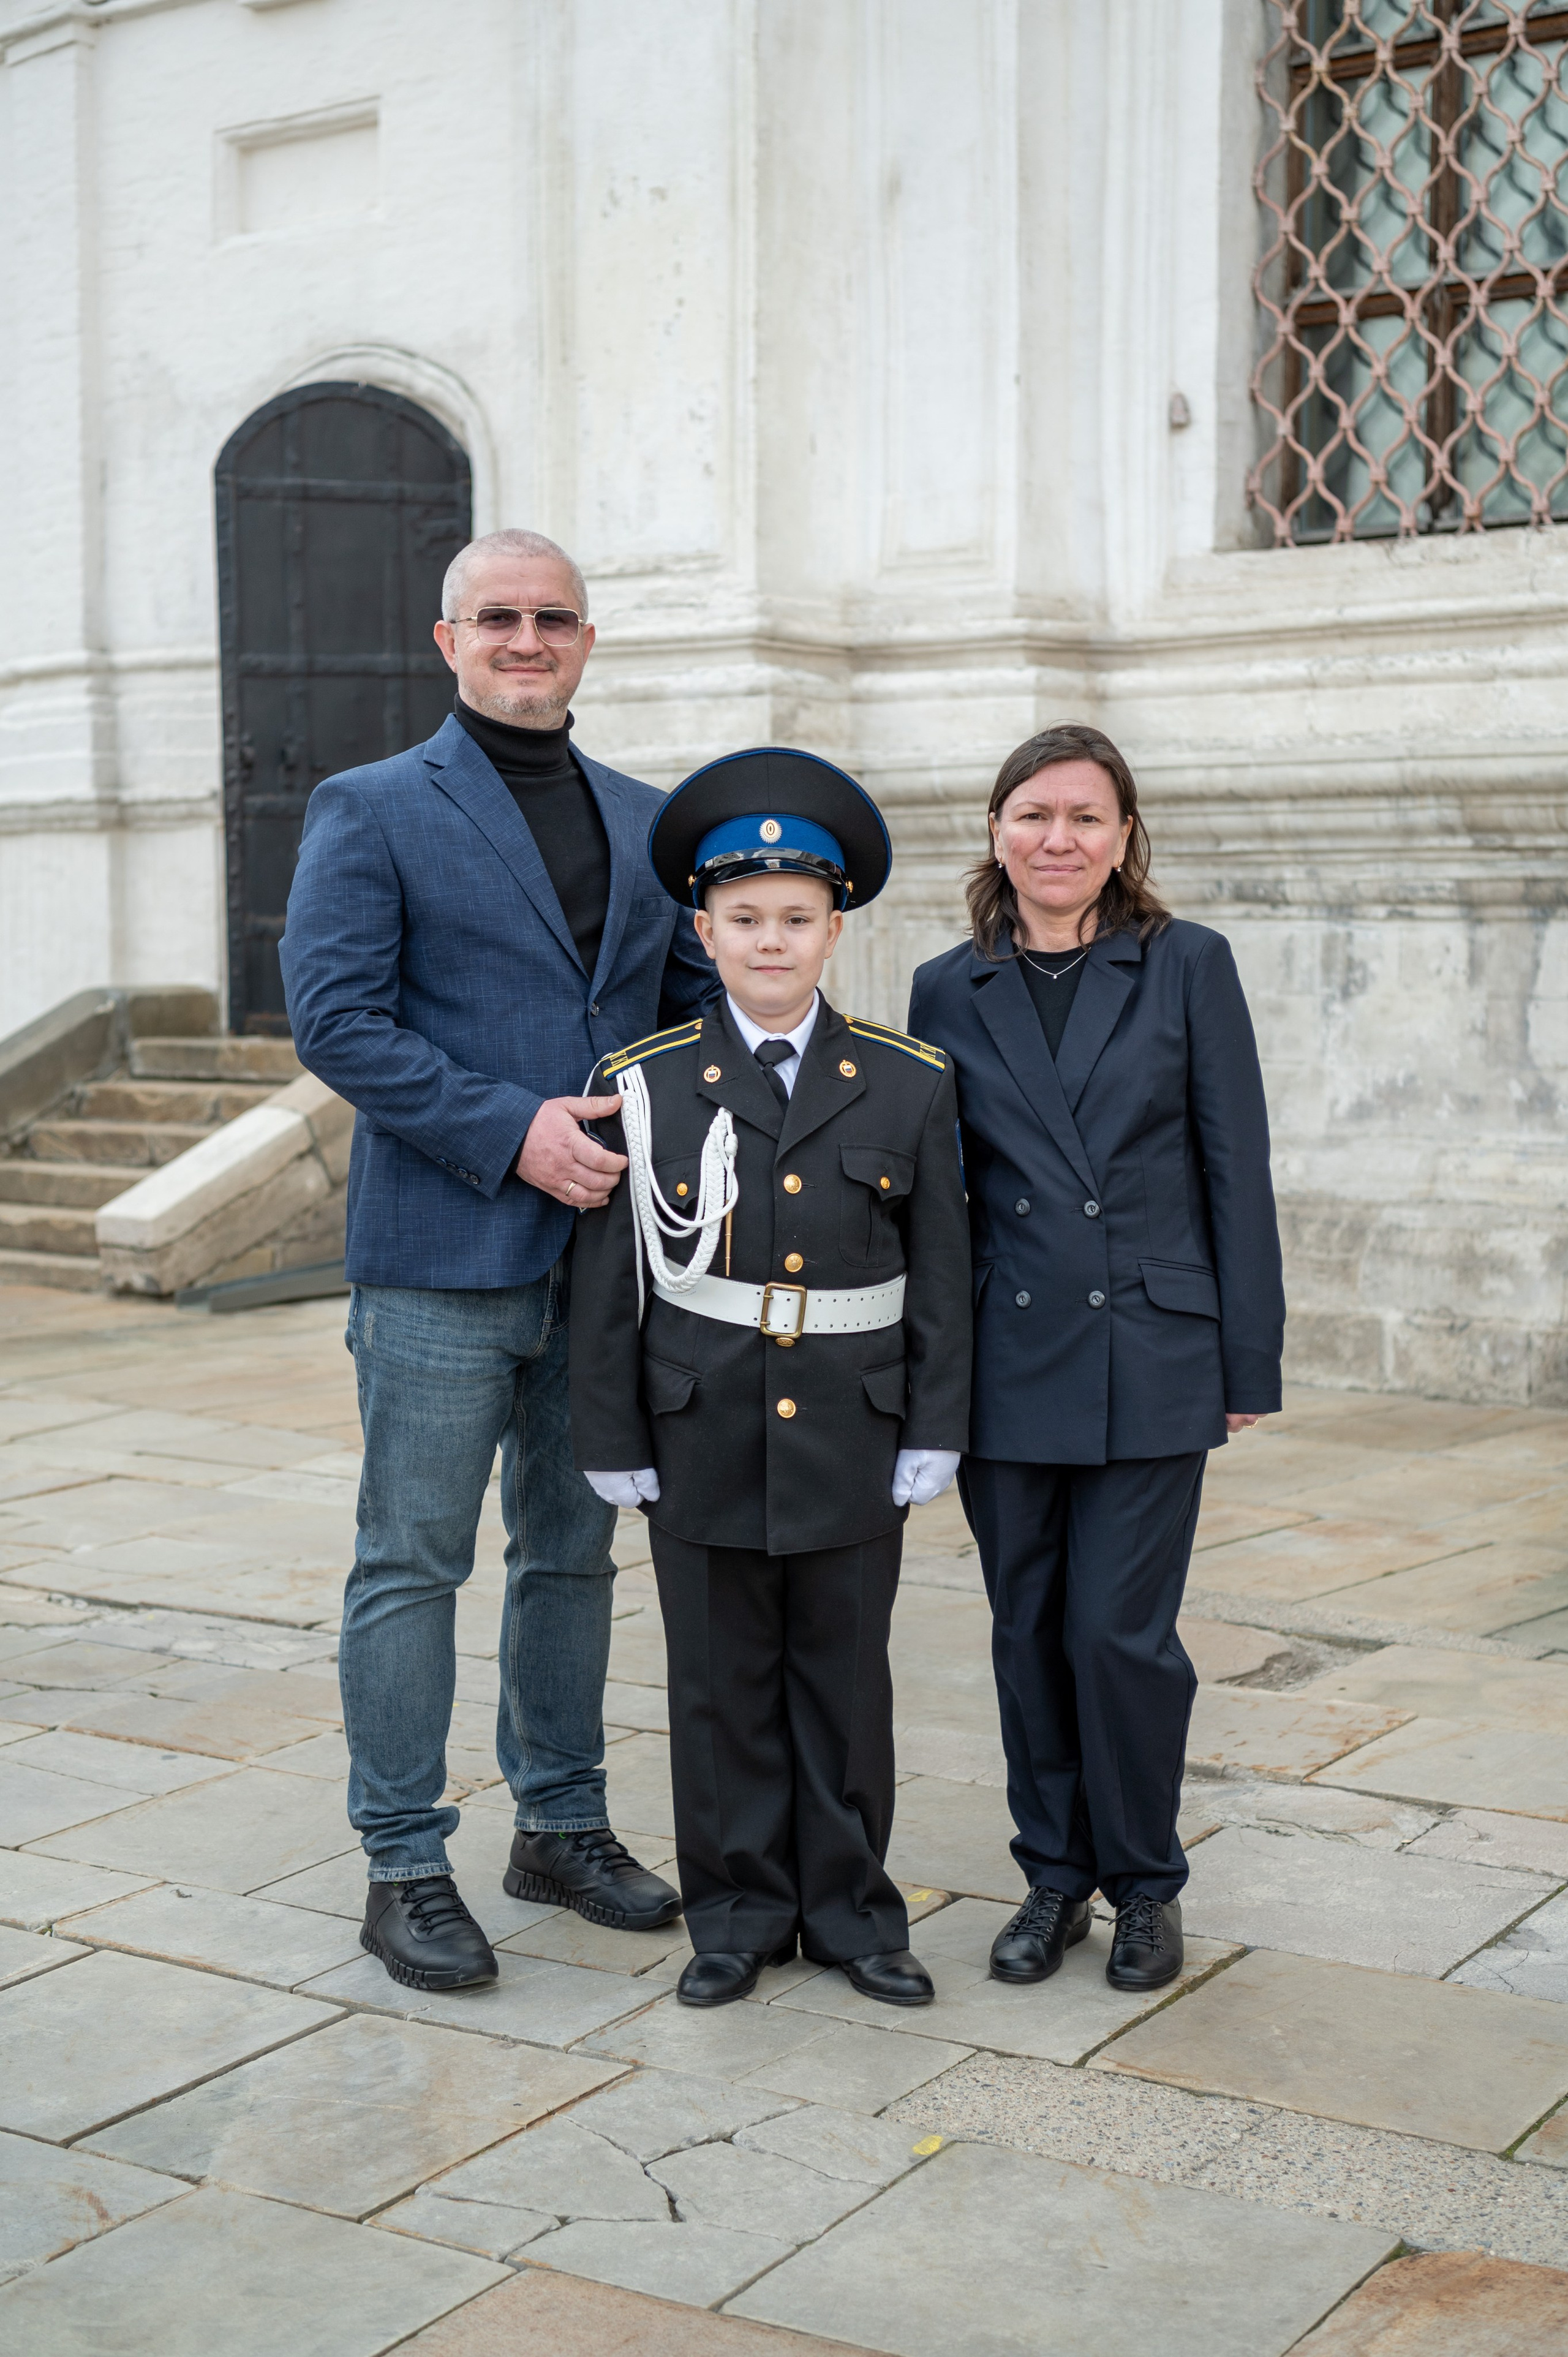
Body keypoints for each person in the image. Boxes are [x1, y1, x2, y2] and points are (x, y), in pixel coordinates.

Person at [279, 527, 715, 1993]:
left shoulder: (652, 821)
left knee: (574, 1553)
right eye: (499, 619)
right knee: (410, 1559)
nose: (528, 640)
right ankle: (403, 1859)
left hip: (606, 1264)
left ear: (587, 640)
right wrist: (509, 1129)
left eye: (555, 619)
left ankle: (562, 1822)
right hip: (439, 1257)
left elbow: (694, 1014)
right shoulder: (373, 806)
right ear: (446, 639)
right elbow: (337, 1023)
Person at [568, 749, 971, 2008]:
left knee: (845, 1684)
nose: (770, 940)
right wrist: (611, 1429)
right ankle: (736, 1914)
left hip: (853, 1432)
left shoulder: (906, 1083)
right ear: (703, 927)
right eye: (743, 919)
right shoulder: (646, 1084)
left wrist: (933, 1422)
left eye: (796, 918)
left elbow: (944, 1265)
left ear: (834, 929)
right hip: (698, 1426)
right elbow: (607, 1283)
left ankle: (853, 1916)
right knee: (717, 1684)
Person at [908, 723, 1284, 1996]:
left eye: (1083, 816)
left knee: (1121, 1635)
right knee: (1025, 1627)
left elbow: (1234, 1166)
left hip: (1150, 1347)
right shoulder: (943, 986)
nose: (1056, 839)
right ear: (996, 830)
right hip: (1004, 1350)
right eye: (1032, 814)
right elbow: (940, 1192)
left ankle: (1143, 1884)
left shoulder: (1185, 965)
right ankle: (1050, 1877)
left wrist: (1247, 1356)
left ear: (1124, 836)